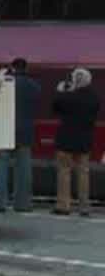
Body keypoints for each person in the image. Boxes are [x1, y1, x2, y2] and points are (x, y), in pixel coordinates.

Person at [0, 58, 41, 212]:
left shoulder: (6, 84)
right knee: (24, 168)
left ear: (12, 68)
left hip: (5, 130)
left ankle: (0, 202)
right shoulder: (35, 86)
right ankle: (23, 204)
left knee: (1, 166)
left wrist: (0, 77)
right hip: (26, 131)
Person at [52, 67, 100, 216]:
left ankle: (63, 205)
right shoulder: (94, 98)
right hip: (84, 141)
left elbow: (55, 107)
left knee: (64, 173)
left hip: (65, 140)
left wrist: (61, 91)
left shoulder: (68, 96)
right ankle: (84, 206)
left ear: (74, 80)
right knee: (83, 174)